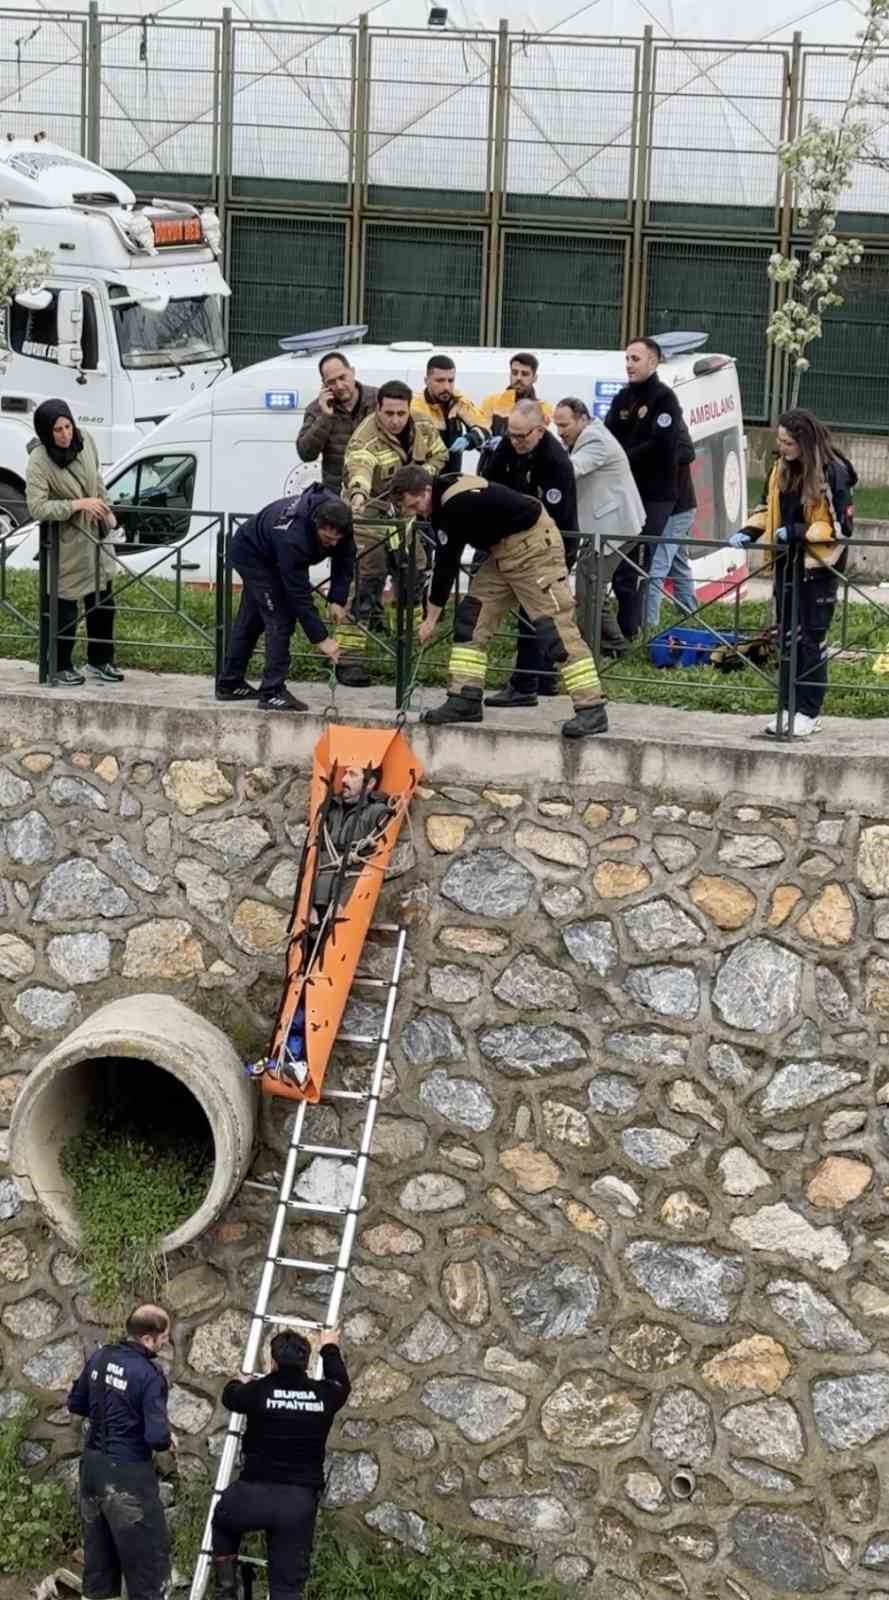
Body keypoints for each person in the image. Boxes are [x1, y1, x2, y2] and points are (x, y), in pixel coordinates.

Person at [390, 464, 607, 739]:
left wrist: (430, 619)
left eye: (415, 504)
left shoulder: (453, 505)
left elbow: (446, 565)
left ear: (427, 490)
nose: (417, 512)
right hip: (504, 550)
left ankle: (592, 708)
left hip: (534, 547)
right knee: (473, 618)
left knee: (556, 630)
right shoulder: (444, 495)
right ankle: (464, 698)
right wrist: (432, 615)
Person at [262, 763, 395, 1086]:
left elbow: (368, 861)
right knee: (299, 977)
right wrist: (310, 907)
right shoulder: (331, 810)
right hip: (317, 907)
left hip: (339, 908)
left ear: (371, 782)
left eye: (352, 775)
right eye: (343, 773)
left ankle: (301, 1055)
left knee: (318, 983)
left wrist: (339, 907)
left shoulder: (375, 814)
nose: (344, 780)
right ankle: (285, 1053)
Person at [729, 408, 855, 738]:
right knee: (787, 638)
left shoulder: (832, 472)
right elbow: (766, 508)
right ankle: (787, 707)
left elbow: (840, 526)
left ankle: (809, 712)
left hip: (818, 566)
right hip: (787, 562)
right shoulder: (780, 468)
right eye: (780, 440)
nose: (781, 447)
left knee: (811, 639)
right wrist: (751, 531)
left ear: (804, 441)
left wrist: (799, 531)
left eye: (787, 442)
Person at [210, 1327, 350, 1600]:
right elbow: (341, 1383)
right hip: (297, 1504)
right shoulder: (323, 1395)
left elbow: (230, 1396)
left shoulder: (257, 1391)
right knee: (286, 1586)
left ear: (271, 1362)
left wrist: (239, 1381)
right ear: (307, 1363)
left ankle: (227, 1589)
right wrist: (330, 1346)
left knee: (223, 1520)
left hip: (251, 1495)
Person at [340, 381, 447, 686]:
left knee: (415, 571)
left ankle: (410, 645)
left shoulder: (424, 425)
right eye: (389, 413)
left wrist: (422, 479)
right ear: (378, 409)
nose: (396, 419)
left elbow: (439, 455)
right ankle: (349, 659)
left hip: (406, 511)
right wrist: (359, 496)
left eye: (401, 412)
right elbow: (358, 469)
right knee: (366, 577)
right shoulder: (365, 438)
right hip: (370, 512)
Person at [67, 1303, 174, 1600]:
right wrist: (168, 1438)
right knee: (147, 1566)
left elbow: (76, 1403)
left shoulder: (100, 1356)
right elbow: (156, 1438)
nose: (166, 1342)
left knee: (99, 1562)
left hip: (91, 1469)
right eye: (164, 1336)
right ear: (149, 1338)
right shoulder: (150, 1374)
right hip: (128, 1476)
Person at [216, 485, 354, 712]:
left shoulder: (341, 520)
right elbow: (298, 595)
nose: (333, 544)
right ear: (315, 524)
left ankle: (230, 683)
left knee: (252, 619)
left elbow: (345, 558)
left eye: (338, 537)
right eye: (328, 538)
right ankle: (272, 692)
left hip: (271, 552)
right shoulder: (294, 537)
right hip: (252, 554)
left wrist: (337, 598)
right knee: (280, 618)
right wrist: (321, 639)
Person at [480, 399, 578, 705]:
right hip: (512, 544)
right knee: (534, 615)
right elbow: (490, 487)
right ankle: (541, 680)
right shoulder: (508, 448)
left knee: (536, 616)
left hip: (549, 545)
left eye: (522, 436)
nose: (516, 442)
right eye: (512, 434)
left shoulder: (555, 461)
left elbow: (556, 517)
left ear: (540, 429)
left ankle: (525, 684)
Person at [26, 399, 123, 688]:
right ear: (46, 431)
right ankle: (59, 665)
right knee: (65, 607)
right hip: (67, 544)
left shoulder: (87, 440)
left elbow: (98, 480)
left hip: (96, 537)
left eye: (68, 426)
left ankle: (100, 660)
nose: (65, 434)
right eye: (57, 429)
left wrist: (106, 509)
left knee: (104, 602)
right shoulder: (40, 460)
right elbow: (37, 507)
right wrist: (77, 504)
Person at [604, 337, 684, 641]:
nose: (629, 364)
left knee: (636, 564)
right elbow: (610, 436)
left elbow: (661, 445)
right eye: (627, 358)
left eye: (635, 359)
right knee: (623, 567)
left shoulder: (665, 399)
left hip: (654, 495)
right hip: (624, 491)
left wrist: (623, 457)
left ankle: (632, 634)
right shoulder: (622, 398)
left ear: (653, 362)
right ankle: (623, 633)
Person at [553, 397, 644, 659]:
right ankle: (611, 647)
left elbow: (571, 470)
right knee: (590, 590)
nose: (560, 431)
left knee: (590, 590)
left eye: (564, 425)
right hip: (606, 526)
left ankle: (597, 650)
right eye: (556, 426)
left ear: (582, 419)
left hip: (614, 527)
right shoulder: (585, 436)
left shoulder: (594, 439)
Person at [296, 351, 377, 493]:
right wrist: (325, 417)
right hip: (337, 496)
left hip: (376, 491)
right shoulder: (317, 409)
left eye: (342, 377)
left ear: (352, 372)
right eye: (331, 382)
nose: (339, 386)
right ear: (324, 385)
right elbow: (305, 454)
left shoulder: (378, 400)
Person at [646, 415, 698, 630]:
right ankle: (692, 616)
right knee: (678, 563)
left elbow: (688, 453)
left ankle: (649, 629)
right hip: (675, 508)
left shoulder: (671, 424)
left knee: (655, 569)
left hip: (677, 509)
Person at [411, 354, 490, 472]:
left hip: (452, 478)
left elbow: (485, 428)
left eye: (451, 380)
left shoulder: (459, 401)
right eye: (440, 380)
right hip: (424, 477)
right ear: (426, 381)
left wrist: (470, 438)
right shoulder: (415, 406)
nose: (446, 386)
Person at [480, 351, 554, 438]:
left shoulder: (544, 408)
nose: (518, 378)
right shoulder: (491, 402)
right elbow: (482, 435)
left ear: (534, 378)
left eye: (525, 374)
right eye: (514, 373)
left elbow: (540, 441)